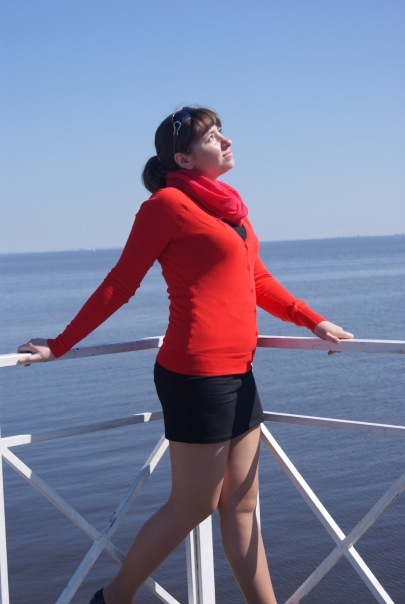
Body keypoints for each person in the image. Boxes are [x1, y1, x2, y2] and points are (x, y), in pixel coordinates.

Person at [18, 106, 354, 604]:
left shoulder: (231, 210)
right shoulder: (166, 206)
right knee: (192, 505)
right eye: (213, 137)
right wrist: (60, 344)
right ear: (183, 157)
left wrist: (313, 320)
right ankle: (114, 597)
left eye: (221, 132)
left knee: (242, 507)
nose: (226, 141)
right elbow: (120, 283)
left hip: (240, 371)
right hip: (196, 374)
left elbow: (257, 279)